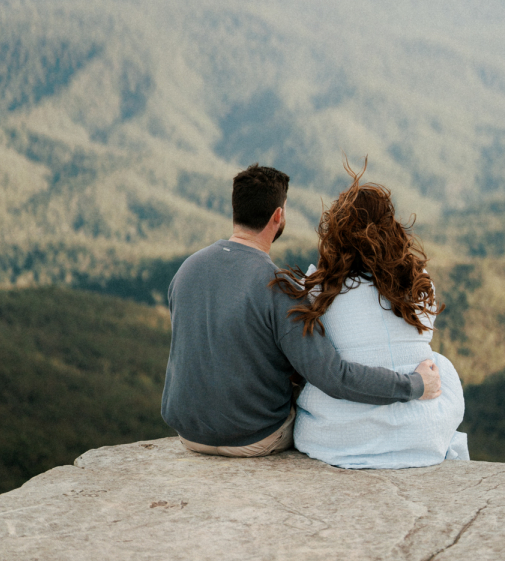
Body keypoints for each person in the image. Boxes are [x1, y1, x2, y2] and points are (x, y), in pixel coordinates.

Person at [161, 162, 441, 456]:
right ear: (278, 216)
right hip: (254, 437)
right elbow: (333, 377)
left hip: (189, 433)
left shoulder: (186, 270)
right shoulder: (279, 288)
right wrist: (415, 385)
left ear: (236, 211)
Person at [280, 163, 469, 468]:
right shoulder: (419, 283)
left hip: (339, 440)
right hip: (421, 436)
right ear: (390, 228)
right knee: (439, 364)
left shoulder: (319, 291)